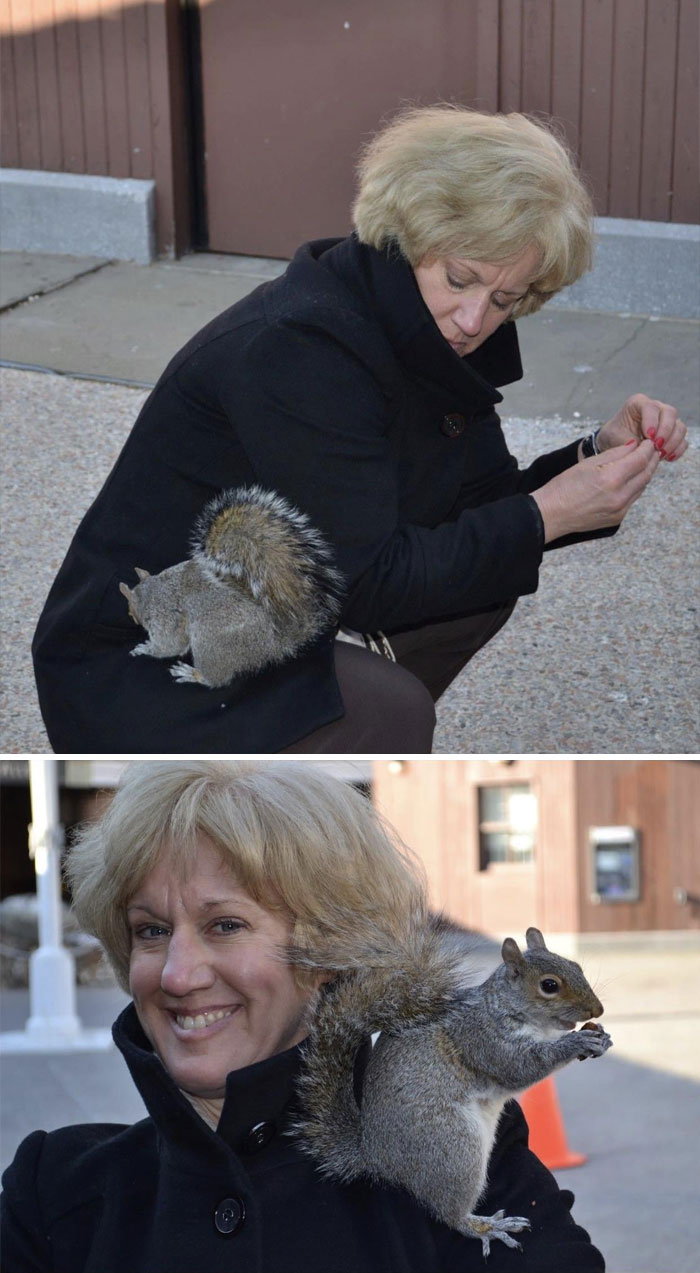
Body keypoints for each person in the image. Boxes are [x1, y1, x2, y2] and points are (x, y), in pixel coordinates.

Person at [32, 107, 688, 753]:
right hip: (136, 656)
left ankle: (318, 716)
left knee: (487, 571)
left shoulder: (425, 326)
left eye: (505, 299)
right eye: (461, 278)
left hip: (264, 595)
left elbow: (481, 506)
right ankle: (309, 735)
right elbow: (372, 583)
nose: (473, 319)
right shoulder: (302, 346)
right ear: (408, 234)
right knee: (390, 707)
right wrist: (546, 515)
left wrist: (592, 455)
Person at [1, 759, 607, 1272]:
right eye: (151, 930)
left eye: (226, 925)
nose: (177, 975)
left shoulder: (460, 1165)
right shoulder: (54, 1191)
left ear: (328, 953)